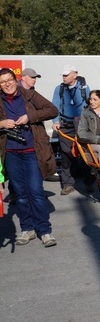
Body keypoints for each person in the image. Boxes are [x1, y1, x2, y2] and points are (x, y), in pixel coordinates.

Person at [0, 68, 59, 247]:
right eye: (2, 82)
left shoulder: (29, 95)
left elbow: (52, 110)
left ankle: (45, 230)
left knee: (36, 191)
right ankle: (27, 228)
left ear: (15, 79)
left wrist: (29, 117)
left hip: (32, 151)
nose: (7, 84)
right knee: (21, 194)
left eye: (9, 80)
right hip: (10, 153)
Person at [52, 64, 91, 195]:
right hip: (66, 125)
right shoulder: (59, 89)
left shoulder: (84, 88)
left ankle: (89, 181)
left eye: (66, 75)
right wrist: (55, 121)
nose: (64, 77)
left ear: (74, 75)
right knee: (66, 154)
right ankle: (68, 184)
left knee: (86, 153)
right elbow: (55, 106)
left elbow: (90, 106)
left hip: (82, 125)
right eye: (63, 75)